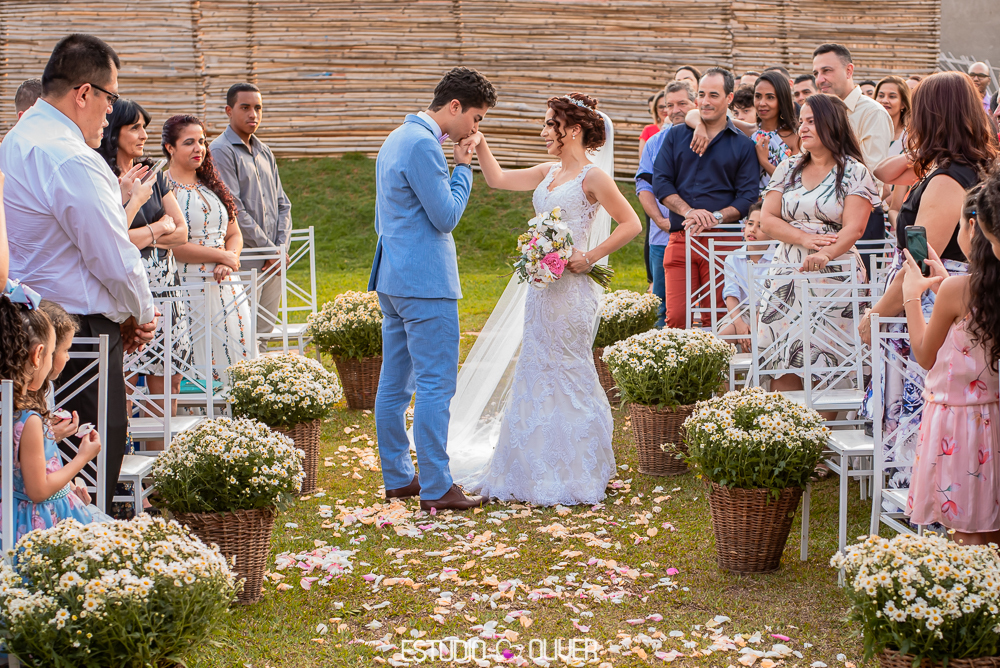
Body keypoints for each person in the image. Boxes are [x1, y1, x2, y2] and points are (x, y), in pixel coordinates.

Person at [451, 93, 641, 506]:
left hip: (573, 292)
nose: (542, 132)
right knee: (536, 367)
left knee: (568, 368)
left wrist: (589, 256)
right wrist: (480, 144)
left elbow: (631, 224)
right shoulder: (547, 171)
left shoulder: (593, 178)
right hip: (540, 291)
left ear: (572, 131)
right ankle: (530, 467)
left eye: (548, 125)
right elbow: (497, 180)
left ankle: (577, 468)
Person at [0, 34, 157, 511]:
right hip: (78, 335)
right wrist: (142, 313)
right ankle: (87, 560)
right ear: (83, 93)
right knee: (89, 457)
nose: (111, 112)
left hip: (24, 328)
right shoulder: (72, 158)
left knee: (35, 458)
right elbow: (111, 254)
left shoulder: (15, 141)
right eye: (110, 98)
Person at [860, 71, 998, 498]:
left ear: (932, 115)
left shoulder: (946, 179)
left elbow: (921, 261)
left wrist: (876, 314)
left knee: (922, 403)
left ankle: (919, 493)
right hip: (952, 295)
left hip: (928, 301)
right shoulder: (977, 166)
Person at [368, 67, 496, 512]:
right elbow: (446, 216)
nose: (475, 129)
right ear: (454, 107)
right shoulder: (424, 144)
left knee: (394, 385)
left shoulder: (397, 136)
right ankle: (438, 486)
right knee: (436, 385)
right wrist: (463, 168)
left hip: (393, 278)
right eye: (476, 119)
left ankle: (399, 477)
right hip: (424, 282)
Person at [758, 94, 877, 395]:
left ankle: (825, 440)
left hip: (835, 275)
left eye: (811, 121)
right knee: (783, 356)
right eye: (801, 122)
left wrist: (825, 252)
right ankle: (788, 436)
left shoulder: (854, 171)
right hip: (788, 272)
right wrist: (804, 239)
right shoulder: (788, 168)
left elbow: (855, 227)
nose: (803, 128)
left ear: (832, 124)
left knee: (830, 358)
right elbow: (767, 219)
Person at [902, 181, 1000, 545]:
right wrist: (947, 285)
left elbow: (925, 355)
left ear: (973, 227)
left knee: (968, 538)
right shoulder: (964, 289)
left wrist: (913, 296)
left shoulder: (958, 290)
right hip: (994, 418)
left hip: (960, 426)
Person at [97, 99, 191, 451]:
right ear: (115, 131)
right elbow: (112, 240)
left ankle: (158, 471)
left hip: (168, 287)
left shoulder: (154, 173)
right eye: (135, 127)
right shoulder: (104, 176)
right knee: (121, 383)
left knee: (167, 381)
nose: (143, 135)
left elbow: (181, 233)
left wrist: (144, 235)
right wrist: (156, 230)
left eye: (144, 127)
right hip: (128, 292)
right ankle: (123, 472)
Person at [652, 67, 758, 329]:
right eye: (701, 95)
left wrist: (716, 217)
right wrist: (689, 211)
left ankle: (722, 371)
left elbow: (747, 197)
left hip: (724, 240)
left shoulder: (743, 145)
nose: (706, 101)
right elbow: (661, 181)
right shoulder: (676, 135)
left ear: (729, 98)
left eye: (714, 94)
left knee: (721, 319)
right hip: (681, 237)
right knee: (676, 317)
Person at [0, 285, 103, 542]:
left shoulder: (11, 409)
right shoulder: (28, 419)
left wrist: (68, 486)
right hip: (36, 525)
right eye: (57, 349)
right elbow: (38, 490)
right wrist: (82, 458)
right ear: (38, 355)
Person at [161, 115, 251, 386]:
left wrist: (230, 259)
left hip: (227, 289)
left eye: (202, 141)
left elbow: (234, 234)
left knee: (235, 356)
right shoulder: (162, 188)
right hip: (187, 288)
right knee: (199, 360)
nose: (199, 148)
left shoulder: (211, 183)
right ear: (170, 148)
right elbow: (171, 246)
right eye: (189, 142)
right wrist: (219, 255)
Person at [210, 83, 292, 346]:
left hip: (272, 263)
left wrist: (279, 251)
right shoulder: (221, 150)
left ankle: (262, 388)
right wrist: (270, 252)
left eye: (257, 108)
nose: (253, 114)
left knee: (264, 334)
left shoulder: (265, 151)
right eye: (245, 107)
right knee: (242, 336)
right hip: (244, 261)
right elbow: (234, 209)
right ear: (228, 110)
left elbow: (283, 204)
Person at [812, 43, 894, 275]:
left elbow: (873, 175)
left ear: (849, 71)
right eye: (816, 73)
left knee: (858, 293)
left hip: (861, 218)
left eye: (827, 71)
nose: (820, 79)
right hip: (822, 216)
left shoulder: (872, 113)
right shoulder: (819, 113)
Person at [635, 80, 697, 328]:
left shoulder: (709, 137)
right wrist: (660, 222)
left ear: (695, 104)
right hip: (663, 238)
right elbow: (644, 186)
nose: (676, 110)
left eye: (682, 103)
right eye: (670, 105)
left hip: (704, 234)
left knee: (704, 306)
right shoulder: (654, 143)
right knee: (663, 307)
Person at [691, 71, 799, 195]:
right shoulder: (747, 130)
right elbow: (692, 114)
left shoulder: (795, 137)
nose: (762, 103)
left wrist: (764, 162)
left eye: (770, 97)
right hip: (745, 206)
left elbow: (794, 184)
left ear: (782, 99)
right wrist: (700, 126)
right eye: (758, 96)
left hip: (779, 207)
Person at [719, 201, 774, 352]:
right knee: (718, 342)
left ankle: (761, 375)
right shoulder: (733, 258)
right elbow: (731, 295)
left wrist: (753, 328)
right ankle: (723, 376)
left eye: (760, 226)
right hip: (740, 313)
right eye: (750, 224)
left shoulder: (777, 259)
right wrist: (740, 325)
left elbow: (770, 298)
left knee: (763, 341)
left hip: (768, 314)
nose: (753, 230)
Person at [874, 76, 912, 229]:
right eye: (881, 95)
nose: (884, 100)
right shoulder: (869, 134)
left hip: (899, 212)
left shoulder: (911, 138)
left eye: (892, 96)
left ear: (903, 103)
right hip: (871, 209)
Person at [638, 89, 666, 157]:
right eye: (661, 107)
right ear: (655, 109)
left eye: (668, 106)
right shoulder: (648, 130)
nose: (665, 110)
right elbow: (642, 158)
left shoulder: (682, 128)